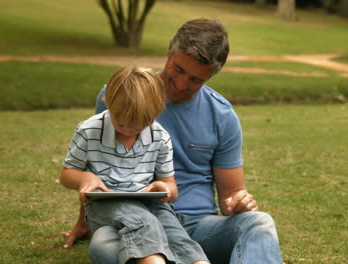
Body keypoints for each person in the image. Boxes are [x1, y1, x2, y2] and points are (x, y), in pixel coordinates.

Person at [62, 18, 284, 264]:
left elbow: (231, 193)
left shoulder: (222, 116)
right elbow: (97, 163)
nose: (179, 85)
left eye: (195, 80)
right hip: (129, 222)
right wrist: (83, 221)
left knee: (260, 223)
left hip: (196, 227)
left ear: (210, 76)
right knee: (104, 245)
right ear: (169, 49)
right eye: (178, 70)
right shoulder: (121, 96)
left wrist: (238, 202)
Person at [60, 65, 209, 264]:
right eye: (121, 123)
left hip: (150, 203)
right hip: (106, 204)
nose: (130, 130)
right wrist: (84, 177)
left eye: (141, 124)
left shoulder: (160, 136)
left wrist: (165, 189)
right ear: (109, 103)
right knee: (143, 222)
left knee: (176, 233)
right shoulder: (89, 131)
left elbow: (171, 187)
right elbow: (66, 175)